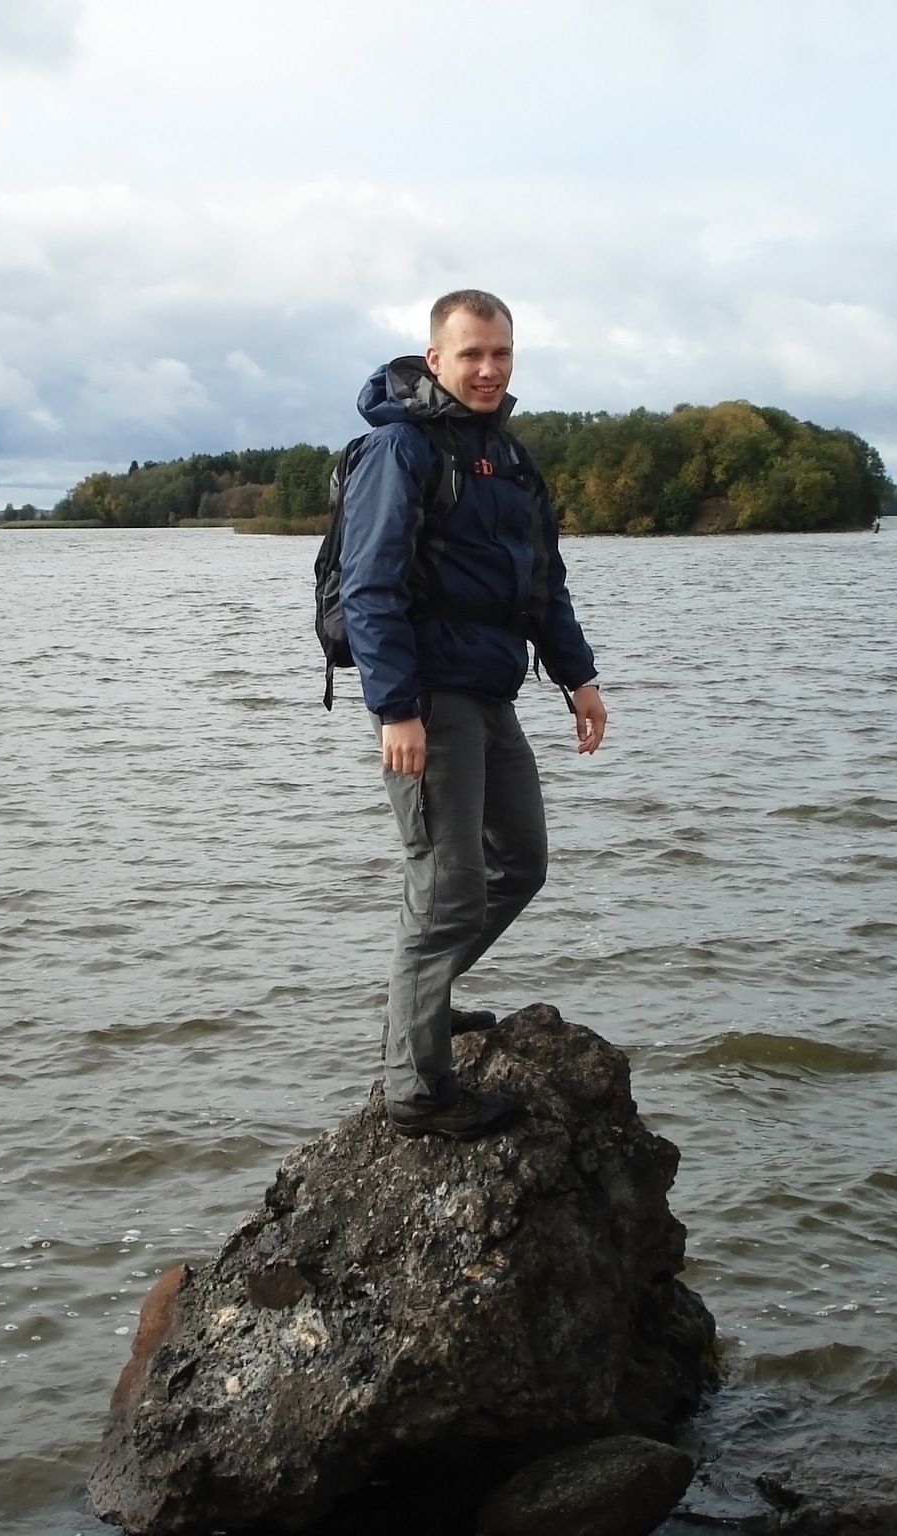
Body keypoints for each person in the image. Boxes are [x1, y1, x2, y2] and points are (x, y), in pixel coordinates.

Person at [339, 289, 606, 1140]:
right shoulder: (400, 449)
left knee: (520, 862)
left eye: (502, 354)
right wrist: (396, 709)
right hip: (427, 696)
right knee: (447, 886)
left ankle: (422, 1003)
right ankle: (418, 1091)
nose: (489, 370)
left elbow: (543, 580)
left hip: (491, 689)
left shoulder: (509, 457)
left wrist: (578, 677)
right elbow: (369, 587)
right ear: (434, 360)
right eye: (471, 355)